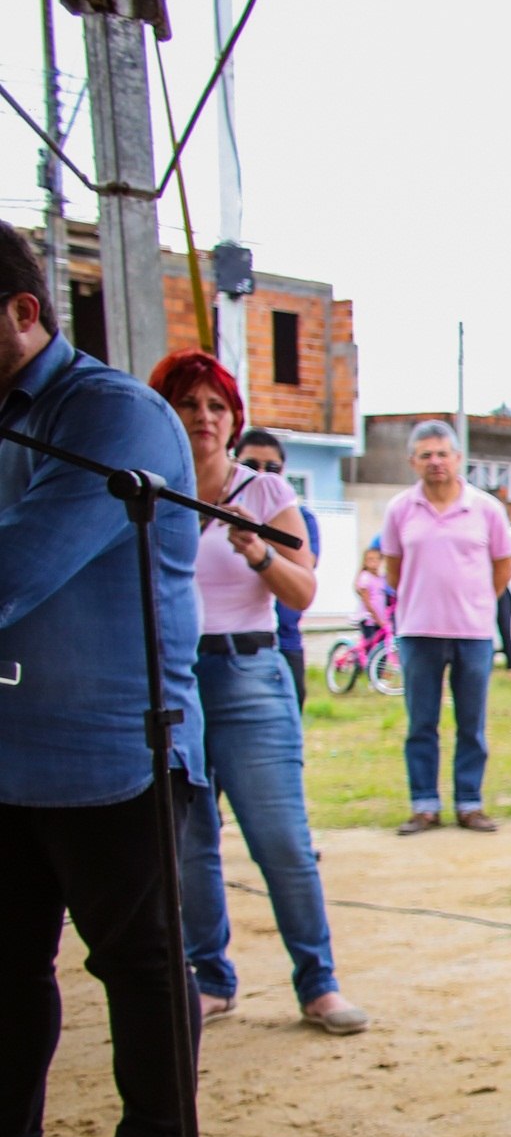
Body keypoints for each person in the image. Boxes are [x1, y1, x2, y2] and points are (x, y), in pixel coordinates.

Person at [0, 223, 206, 1137]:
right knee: (1, 957)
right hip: (7, 740)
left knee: (133, 955)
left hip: (108, 742)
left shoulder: (107, 414)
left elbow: (15, 568)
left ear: (23, 312)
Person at [149, 352, 369, 1038]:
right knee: (189, 842)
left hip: (247, 673)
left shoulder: (268, 494)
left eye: (217, 407)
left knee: (281, 839)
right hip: (172, 679)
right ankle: (210, 976)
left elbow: (302, 592)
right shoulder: (150, 494)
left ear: (233, 420)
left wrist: (259, 553)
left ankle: (319, 982)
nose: (205, 418)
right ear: (167, 414)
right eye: (190, 405)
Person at [381, 420, 511, 835]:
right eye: (426, 455)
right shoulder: (401, 509)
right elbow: (393, 569)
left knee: (471, 724)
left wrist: (476, 603)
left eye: (442, 454)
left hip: (472, 632)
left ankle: (469, 803)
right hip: (419, 630)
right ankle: (424, 804)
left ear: (458, 459)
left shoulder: (486, 509)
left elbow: (502, 565)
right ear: (413, 462)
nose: (435, 462)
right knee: (421, 722)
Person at [237, 428, 319, 707]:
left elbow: (303, 570)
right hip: (235, 647)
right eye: (250, 465)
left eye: (272, 468)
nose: (261, 475)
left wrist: (256, 542)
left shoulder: (302, 519)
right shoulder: (217, 516)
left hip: (285, 641)